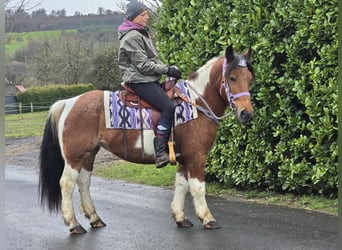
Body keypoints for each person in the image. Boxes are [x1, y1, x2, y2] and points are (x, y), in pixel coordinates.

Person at [117, 0, 182, 168]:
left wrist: (168, 69)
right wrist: (167, 70)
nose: (147, 17)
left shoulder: (140, 33)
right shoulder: (131, 37)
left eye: (146, 13)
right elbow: (144, 66)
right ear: (134, 17)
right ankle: (160, 152)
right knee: (168, 107)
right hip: (140, 80)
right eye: (143, 14)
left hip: (148, 78)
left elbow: (152, 60)